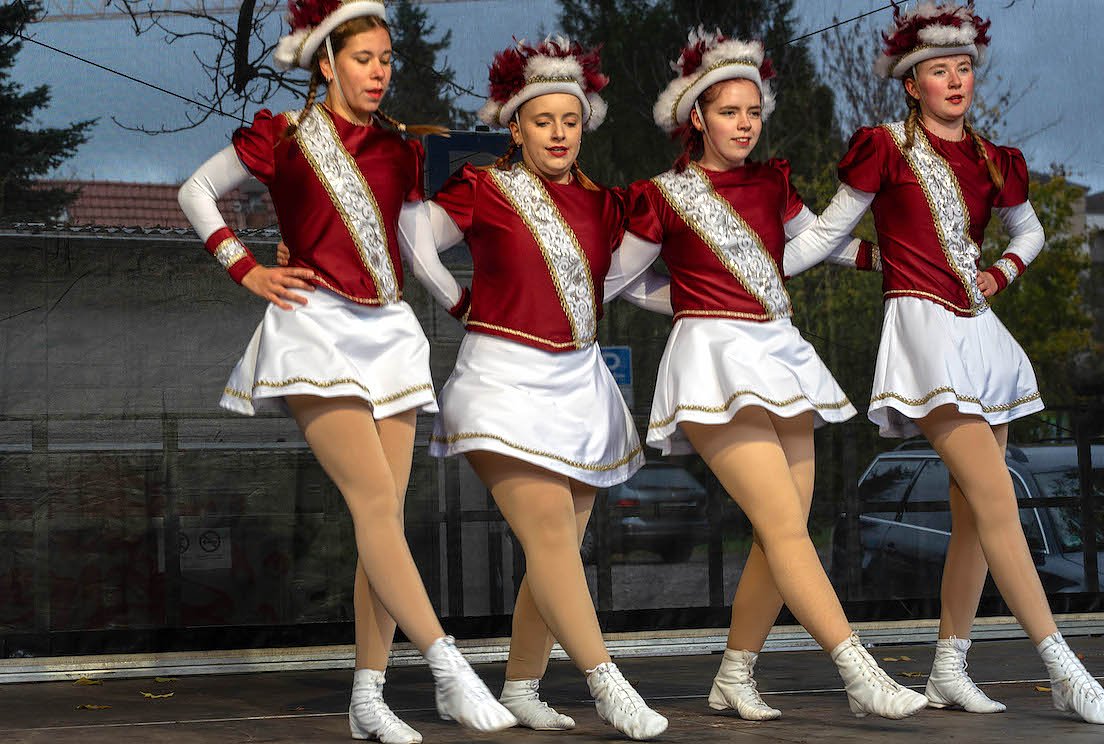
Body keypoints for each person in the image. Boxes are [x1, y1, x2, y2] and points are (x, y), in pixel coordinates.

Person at [176, 1, 516, 739]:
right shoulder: (284, 134)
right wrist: (247, 269)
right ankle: (449, 666)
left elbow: (415, 244)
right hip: (315, 330)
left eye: (387, 60)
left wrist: (486, 271)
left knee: (382, 522)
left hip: (389, 333)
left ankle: (368, 697)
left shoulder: (400, 150)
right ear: (326, 62)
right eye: (365, 59)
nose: (379, 72)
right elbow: (194, 191)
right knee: (373, 504)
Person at [786, 0, 1104, 725]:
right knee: (998, 499)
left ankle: (949, 664)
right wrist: (753, 270)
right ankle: (1062, 668)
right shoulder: (883, 148)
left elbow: (1030, 231)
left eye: (964, 67)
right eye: (938, 70)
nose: (954, 80)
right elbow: (823, 236)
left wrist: (999, 273)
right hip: (924, 339)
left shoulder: (991, 159)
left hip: (979, 335)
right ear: (911, 83)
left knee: (973, 512)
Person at [607, 28, 926, 722]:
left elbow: (816, 242)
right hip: (713, 363)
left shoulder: (771, 181)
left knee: (779, 534)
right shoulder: (661, 195)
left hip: (780, 356)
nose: (745, 124)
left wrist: (887, 255)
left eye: (753, 111)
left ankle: (734, 674)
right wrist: (686, 300)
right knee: (785, 529)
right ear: (697, 117)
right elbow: (615, 279)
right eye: (729, 111)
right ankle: (858, 671)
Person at [394, 37, 670, 740]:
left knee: (558, 555)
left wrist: (711, 302)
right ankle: (608, 685)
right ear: (514, 127)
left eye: (570, 120)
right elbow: (413, 236)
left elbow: (619, 284)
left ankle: (521, 685)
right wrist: (458, 301)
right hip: (501, 381)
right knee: (550, 539)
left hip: (579, 387)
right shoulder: (484, 188)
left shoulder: (605, 206)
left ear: (585, 125)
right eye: (542, 120)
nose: (558, 133)